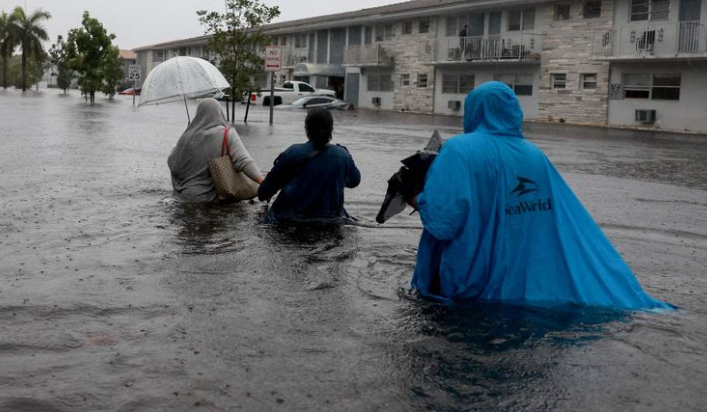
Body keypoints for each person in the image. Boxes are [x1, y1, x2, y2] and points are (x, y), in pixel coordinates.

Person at [412, 81, 671, 311]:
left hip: (467, 284)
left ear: (474, 111)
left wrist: (415, 196)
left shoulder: (458, 149)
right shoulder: (534, 155)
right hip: (522, 284)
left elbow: (442, 220)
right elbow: (554, 219)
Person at [258, 108, 361, 223]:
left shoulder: (292, 153)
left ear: (307, 129)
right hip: (331, 223)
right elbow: (355, 181)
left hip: (288, 222)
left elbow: (262, 193)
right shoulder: (343, 155)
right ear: (331, 130)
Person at [168, 97, 263, 203]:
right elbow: (244, 161)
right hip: (209, 201)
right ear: (220, 112)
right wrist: (264, 184)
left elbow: (173, 164)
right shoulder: (227, 134)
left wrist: (184, 140)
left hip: (183, 199)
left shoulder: (186, 137)